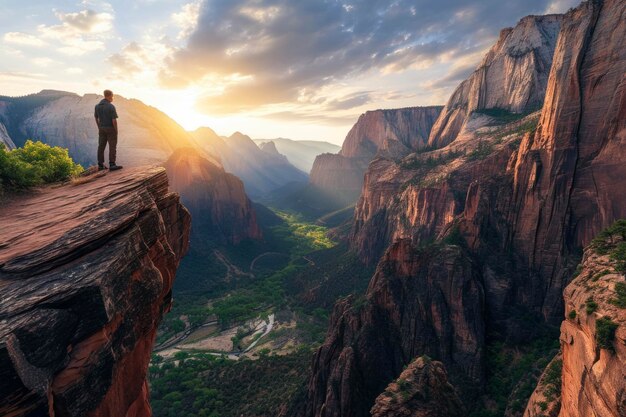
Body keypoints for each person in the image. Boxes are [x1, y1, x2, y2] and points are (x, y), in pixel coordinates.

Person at [94, 89, 122, 171]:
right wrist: (116, 130)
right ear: (109, 96)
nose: (113, 98)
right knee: (112, 146)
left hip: (101, 129)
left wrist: (99, 127)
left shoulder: (97, 106)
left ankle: (100, 165)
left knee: (101, 146)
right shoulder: (111, 106)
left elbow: (96, 117)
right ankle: (112, 164)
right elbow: (114, 120)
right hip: (110, 128)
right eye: (112, 96)